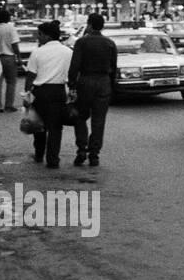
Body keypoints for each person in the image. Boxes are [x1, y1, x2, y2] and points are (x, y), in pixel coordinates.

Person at [68, 12, 117, 167]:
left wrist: (71, 84)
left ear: (89, 25)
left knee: (80, 117)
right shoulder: (110, 43)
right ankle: (94, 154)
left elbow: (74, 66)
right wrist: (111, 86)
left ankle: (81, 150)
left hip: (85, 82)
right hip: (103, 83)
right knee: (99, 121)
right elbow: (114, 68)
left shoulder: (82, 42)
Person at [23, 20, 73, 168]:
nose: (38, 37)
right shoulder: (68, 52)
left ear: (47, 36)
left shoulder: (38, 52)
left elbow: (30, 76)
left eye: (40, 34)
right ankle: (53, 159)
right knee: (56, 127)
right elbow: (72, 74)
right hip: (58, 92)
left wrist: (27, 95)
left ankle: (39, 154)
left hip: (40, 93)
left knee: (39, 125)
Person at [0, 8, 20, 113]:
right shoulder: (11, 28)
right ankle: (8, 105)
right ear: (8, 18)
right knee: (11, 82)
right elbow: (15, 44)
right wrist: (18, 57)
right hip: (9, 58)